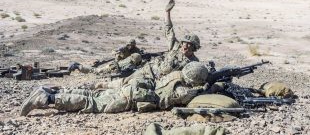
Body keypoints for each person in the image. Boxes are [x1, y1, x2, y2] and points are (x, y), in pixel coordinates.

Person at [20, 62, 210, 116]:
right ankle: (47, 100)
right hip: (132, 97)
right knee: (93, 103)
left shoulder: (176, 75)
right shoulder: (184, 91)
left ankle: (52, 91)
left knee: (94, 94)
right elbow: (193, 95)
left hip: (133, 87)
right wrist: (205, 87)